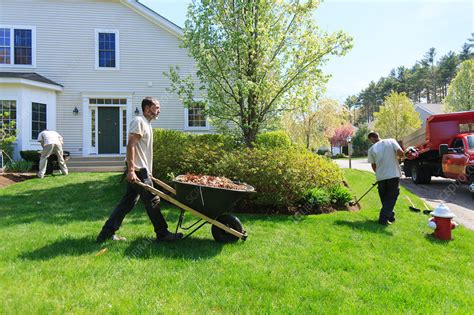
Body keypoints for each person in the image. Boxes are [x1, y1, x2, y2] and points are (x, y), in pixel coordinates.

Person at [96, 97, 183, 242]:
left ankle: (106, 233)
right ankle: (162, 233)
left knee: (127, 203)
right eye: (156, 107)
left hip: (141, 171)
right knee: (153, 201)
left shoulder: (147, 124)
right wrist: (131, 170)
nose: (158, 110)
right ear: (147, 109)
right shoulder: (139, 121)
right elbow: (131, 145)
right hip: (137, 171)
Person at [367, 131, 406, 225]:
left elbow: (373, 165)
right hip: (393, 175)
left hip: (380, 177)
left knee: (385, 199)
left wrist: (380, 173)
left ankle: (390, 216)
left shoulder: (371, 149)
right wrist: (400, 158)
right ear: (377, 136)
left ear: (372, 138)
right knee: (391, 197)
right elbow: (401, 153)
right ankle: (383, 219)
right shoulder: (391, 141)